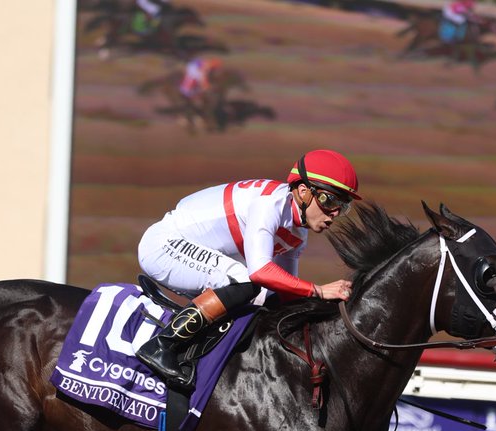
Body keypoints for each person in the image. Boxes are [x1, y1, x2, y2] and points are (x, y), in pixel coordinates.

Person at [135, 149, 358, 389]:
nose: (334, 213)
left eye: (342, 207)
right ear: (303, 192)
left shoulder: (298, 234)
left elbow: (284, 294)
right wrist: (319, 291)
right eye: (329, 200)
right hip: (164, 245)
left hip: (191, 250)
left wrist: (331, 309)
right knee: (243, 281)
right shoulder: (269, 203)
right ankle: (161, 346)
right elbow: (260, 271)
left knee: (268, 299)